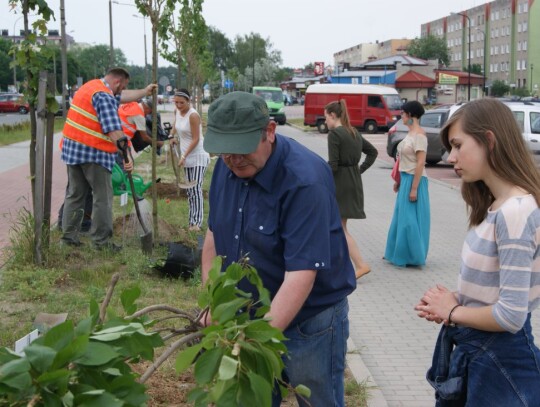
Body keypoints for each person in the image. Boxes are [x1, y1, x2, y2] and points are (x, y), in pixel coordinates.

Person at [201, 91, 356, 407]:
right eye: (225, 152)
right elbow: (213, 237)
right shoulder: (226, 168)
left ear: (269, 131)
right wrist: (213, 302)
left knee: (318, 402)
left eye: (241, 149)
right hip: (247, 316)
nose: (233, 159)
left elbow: (301, 274)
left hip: (310, 324)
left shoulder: (304, 180)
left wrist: (255, 340)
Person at [415, 98, 540, 406]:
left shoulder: (515, 211)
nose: (450, 156)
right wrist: (455, 299)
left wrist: (452, 311)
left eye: (458, 145)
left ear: (489, 140)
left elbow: (510, 315)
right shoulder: (496, 207)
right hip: (483, 355)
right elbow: (499, 291)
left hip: (501, 361)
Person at [60, 67, 156, 251]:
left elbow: (123, 95)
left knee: (75, 195)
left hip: (73, 150)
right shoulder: (104, 97)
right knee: (102, 198)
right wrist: (127, 155)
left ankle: (68, 239)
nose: (122, 91)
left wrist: (144, 91)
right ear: (118, 82)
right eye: (122, 86)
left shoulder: (92, 86)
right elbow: (114, 131)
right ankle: (101, 242)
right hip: (93, 153)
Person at [325, 99, 378, 279]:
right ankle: (341, 265)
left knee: (339, 227)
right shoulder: (354, 132)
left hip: (340, 182)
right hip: (352, 181)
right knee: (340, 226)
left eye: (326, 118)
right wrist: (358, 170)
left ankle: (360, 265)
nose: (325, 122)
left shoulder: (334, 134)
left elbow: (332, 166)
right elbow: (373, 152)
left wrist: (317, 176)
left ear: (333, 115)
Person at [384, 100, 430, 267]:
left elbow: (420, 163)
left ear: (410, 115)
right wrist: (399, 180)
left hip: (415, 180)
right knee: (401, 217)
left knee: (410, 220)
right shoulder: (410, 134)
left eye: (403, 113)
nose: (401, 116)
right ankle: (398, 253)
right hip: (406, 179)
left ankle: (413, 255)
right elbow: (403, 159)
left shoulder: (420, 136)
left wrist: (414, 188)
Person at [170, 88, 210, 231]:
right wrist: (172, 135)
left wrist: (184, 156)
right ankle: (191, 221)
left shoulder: (193, 116)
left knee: (196, 188)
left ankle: (197, 223)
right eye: (176, 102)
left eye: (182, 103)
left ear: (189, 101)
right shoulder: (177, 112)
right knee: (189, 190)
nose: (179, 105)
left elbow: (196, 139)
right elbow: (176, 125)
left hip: (198, 155)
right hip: (186, 156)